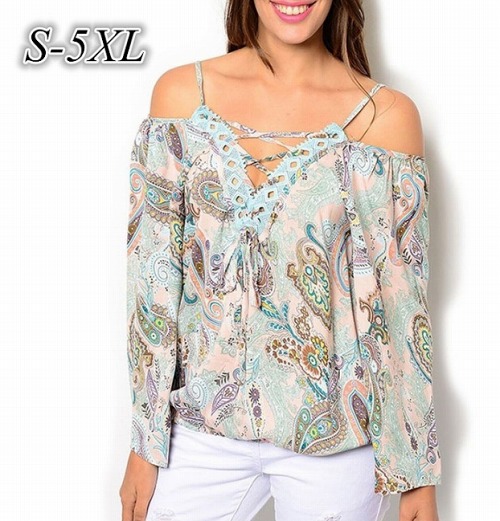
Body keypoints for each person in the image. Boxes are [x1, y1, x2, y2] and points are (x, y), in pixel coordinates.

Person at [119, 1, 443, 520]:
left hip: (337, 443)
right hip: (199, 430)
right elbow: (152, 285)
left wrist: (416, 473)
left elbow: (403, 309)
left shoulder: (385, 117)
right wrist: (144, 440)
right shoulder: (181, 96)